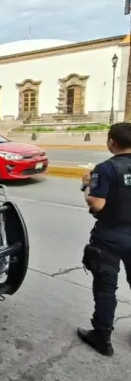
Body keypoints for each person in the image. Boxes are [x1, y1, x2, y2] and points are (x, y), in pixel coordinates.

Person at [77, 122, 131, 356]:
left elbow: (97, 204)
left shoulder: (105, 169)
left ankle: (102, 337)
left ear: (111, 142)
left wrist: (87, 185)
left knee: (106, 289)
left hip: (110, 236)